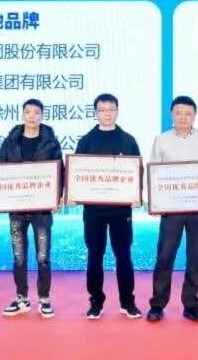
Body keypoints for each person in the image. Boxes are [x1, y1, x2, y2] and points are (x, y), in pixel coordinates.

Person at [146, 96, 198, 323]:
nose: (183, 118)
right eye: (178, 113)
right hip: (171, 209)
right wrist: (153, 202)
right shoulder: (161, 140)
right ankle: (157, 305)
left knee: (197, 257)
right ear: (172, 115)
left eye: (188, 113)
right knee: (165, 256)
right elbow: (154, 174)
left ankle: (191, 305)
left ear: (194, 116)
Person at [0, 99, 64, 319]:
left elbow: (59, 172)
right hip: (16, 209)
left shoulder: (51, 142)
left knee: (43, 257)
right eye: (28, 112)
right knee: (19, 257)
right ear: (23, 115)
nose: (32, 116)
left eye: (37, 112)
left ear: (42, 116)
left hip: (41, 210)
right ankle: (21, 298)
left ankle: (44, 298)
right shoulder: (10, 142)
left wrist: (58, 196)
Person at [75, 93, 142, 320]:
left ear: (117, 111)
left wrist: (136, 194)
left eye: (111, 109)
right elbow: (76, 173)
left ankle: (127, 302)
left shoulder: (128, 140)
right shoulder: (86, 141)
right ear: (95, 113)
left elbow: (137, 171)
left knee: (123, 255)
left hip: (121, 209)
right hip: (93, 210)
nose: (107, 114)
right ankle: (96, 302)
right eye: (102, 110)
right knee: (95, 255)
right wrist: (73, 194)